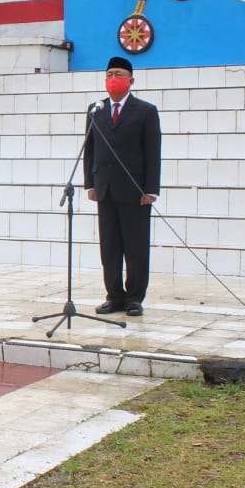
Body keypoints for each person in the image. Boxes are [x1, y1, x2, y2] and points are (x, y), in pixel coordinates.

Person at [84, 56, 162, 317]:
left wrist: (150, 190)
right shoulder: (95, 109)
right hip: (105, 189)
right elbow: (90, 149)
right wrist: (90, 184)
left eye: (118, 74)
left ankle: (135, 297)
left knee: (135, 246)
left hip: (135, 191)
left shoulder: (145, 111)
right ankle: (114, 295)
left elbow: (153, 152)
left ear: (130, 80)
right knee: (110, 247)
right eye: (108, 74)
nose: (112, 79)